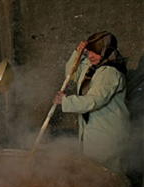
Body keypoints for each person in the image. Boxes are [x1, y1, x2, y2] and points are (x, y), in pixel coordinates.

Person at [53, 31, 130, 172]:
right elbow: (72, 73)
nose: (90, 56)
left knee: (108, 175)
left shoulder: (110, 72)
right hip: (92, 129)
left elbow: (94, 100)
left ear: (107, 51)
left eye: (95, 52)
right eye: (88, 52)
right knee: (93, 172)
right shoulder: (91, 64)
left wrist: (65, 101)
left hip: (107, 131)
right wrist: (77, 53)